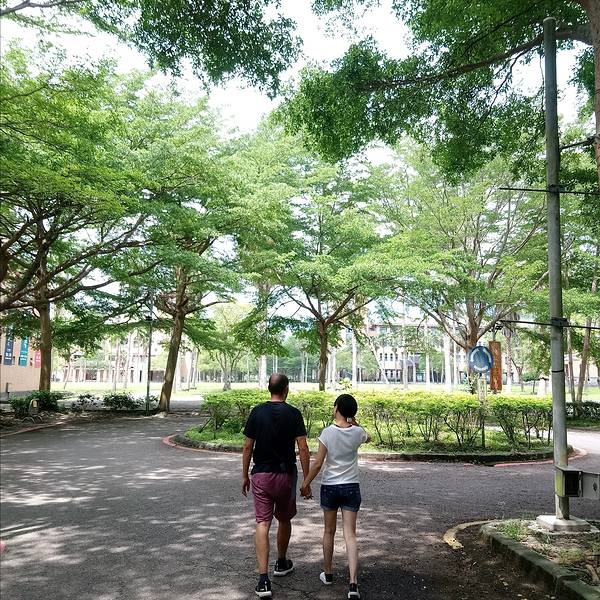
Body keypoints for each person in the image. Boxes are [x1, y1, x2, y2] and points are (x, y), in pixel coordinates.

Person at [242, 373, 311, 598]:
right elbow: (303, 447)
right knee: (284, 518)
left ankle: (263, 580)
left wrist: (244, 475)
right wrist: (306, 480)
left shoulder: (257, 412)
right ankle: (281, 562)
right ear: (286, 389)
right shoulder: (294, 413)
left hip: (261, 475)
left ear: (269, 389)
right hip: (285, 476)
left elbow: (247, 446)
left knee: (262, 523)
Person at [300, 393, 370, 600]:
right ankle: (353, 584)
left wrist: (305, 483)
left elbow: (318, 464)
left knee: (329, 531)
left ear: (337, 408)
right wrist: (354, 422)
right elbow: (369, 437)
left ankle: (328, 573)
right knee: (350, 535)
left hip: (330, 487)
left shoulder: (328, 433)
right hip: (351, 487)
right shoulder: (358, 432)